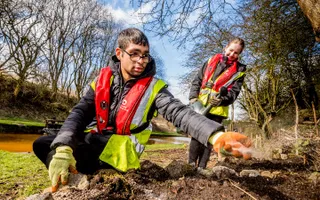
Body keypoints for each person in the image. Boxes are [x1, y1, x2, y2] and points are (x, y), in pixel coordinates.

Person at [33, 28, 251, 192]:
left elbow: (180, 113)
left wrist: (216, 135)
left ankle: (94, 179)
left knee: (71, 149)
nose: (141, 60)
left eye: (145, 55)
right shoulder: (102, 80)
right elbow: (78, 114)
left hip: (121, 154)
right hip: (98, 140)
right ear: (119, 53)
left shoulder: (155, 88)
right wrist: (63, 148)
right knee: (45, 144)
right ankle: (77, 176)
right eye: (135, 53)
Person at [188, 38, 247, 170]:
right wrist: (193, 98)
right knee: (196, 137)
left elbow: (233, 94)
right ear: (225, 47)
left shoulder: (239, 71)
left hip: (217, 110)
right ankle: (191, 166)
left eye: (236, 53)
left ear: (239, 54)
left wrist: (221, 100)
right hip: (200, 106)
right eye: (231, 50)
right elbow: (197, 81)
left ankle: (202, 167)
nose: (232, 54)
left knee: (209, 139)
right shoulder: (210, 61)